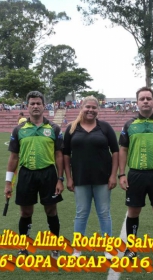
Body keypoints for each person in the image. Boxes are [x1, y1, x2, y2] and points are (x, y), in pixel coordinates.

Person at [4, 91, 64, 259]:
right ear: (27, 106)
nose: (35, 106)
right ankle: (24, 246)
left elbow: (59, 155)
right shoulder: (19, 130)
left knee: (51, 210)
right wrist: (8, 183)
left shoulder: (54, 128)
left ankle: (55, 246)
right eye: (32, 103)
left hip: (48, 174)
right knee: (25, 212)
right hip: (26, 175)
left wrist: (60, 179)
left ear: (44, 106)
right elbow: (13, 157)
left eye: (38, 103)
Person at [119, 86, 153, 263]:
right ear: (137, 102)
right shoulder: (129, 125)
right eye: (142, 99)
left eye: (148, 98)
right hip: (135, 174)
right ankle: (131, 249)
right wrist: (122, 174)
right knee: (133, 211)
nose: (145, 101)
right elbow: (123, 150)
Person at [63, 95, 119, 259]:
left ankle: (108, 248)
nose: (90, 110)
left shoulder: (105, 127)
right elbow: (65, 154)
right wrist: (69, 177)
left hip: (102, 178)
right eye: (88, 107)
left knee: (104, 213)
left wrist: (113, 175)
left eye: (94, 108)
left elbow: (115, 152)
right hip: (80, 179)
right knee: (81, 213)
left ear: (98, 110)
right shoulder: (72, 128)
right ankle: (77, 249)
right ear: (81, 107)